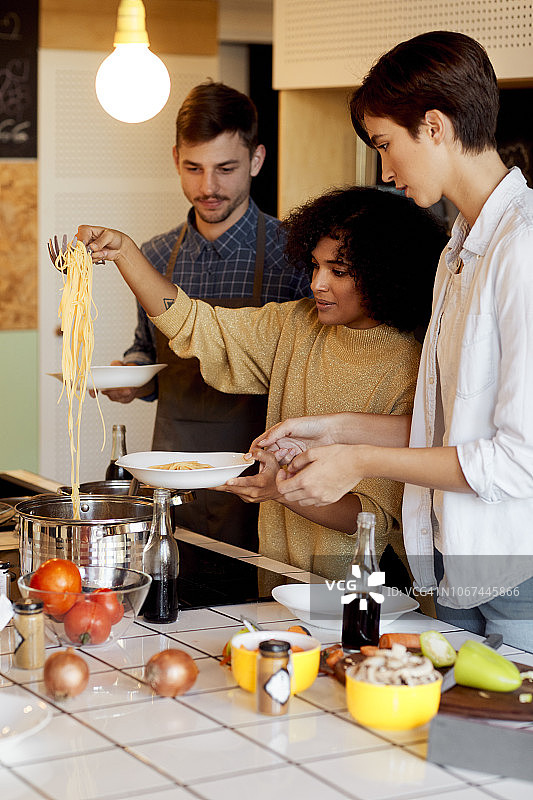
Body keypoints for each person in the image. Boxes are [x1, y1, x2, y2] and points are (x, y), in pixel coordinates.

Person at [256, 31, 533, 650]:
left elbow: (519, 460)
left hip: (517, 572)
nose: (385, 169)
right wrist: (332, 430)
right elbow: (451, 427)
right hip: (458, 565)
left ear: (434, 127)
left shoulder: (523, 250)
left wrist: (360, 460)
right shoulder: (459, 248)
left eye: (386, 145)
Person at [77, 185, 446, 580]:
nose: (316, 284)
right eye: (315, 265)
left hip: (358, 596)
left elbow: (374, 520)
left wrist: (279, 489)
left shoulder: (410, 368)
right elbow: (196, 325)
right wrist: (125, 253)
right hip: (277, 578)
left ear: (384, 274)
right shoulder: (296, 324)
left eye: (338, 272)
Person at [100, 81, 311, 549]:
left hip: (259, 480)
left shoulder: (296, 255)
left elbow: (311, 375)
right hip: (170, 478)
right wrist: (131, 375)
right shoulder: (150, 257)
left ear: (256, 160)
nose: (208, 187)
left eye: (226, 169)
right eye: (193, 168)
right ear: (176, 158)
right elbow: (146, 347)